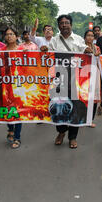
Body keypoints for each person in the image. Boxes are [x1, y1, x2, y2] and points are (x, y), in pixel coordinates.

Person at [42, 14, 93, 149]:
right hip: (57, 80)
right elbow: (48, 58)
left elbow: (85, 53)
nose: (64, 25)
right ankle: (61, 131)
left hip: (75, 80)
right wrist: (43, 52)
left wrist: (88, 51)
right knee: (57, 107)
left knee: (74, 107)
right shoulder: (53, 41)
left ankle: (73, 137)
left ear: (71, 25)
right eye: (62, 23)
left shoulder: (78, 39)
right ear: (58, 26)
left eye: (67, 23)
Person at [2, 27, 23, 149]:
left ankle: (17, 137)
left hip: (18, 86)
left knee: (18, 112)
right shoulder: (1, 50)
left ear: (16, 36)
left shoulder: (21, 50)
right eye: (7, 34)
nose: (9, 36)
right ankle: (10, 128)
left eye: (11, 34)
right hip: (5, 86)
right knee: (8, 110)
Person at [83, 30, 101, 127]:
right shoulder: (81, 47)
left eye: (92, 36)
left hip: (95, 73)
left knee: (93, 97)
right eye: (88, 35)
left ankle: (90, 120)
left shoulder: (97, 48)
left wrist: (97, 56)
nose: (90, 37)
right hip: (83, 74)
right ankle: (82, 118)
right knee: (83, 96)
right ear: (85, 37)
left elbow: (100, 61)